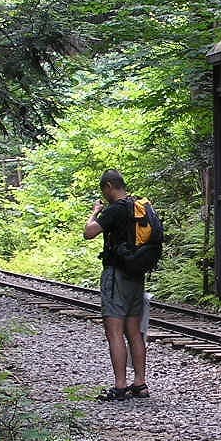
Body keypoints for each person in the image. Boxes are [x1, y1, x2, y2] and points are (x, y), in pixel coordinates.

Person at [83, 169, 149, 401]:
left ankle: (120, 385)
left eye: (104, 189)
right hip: (137, 273)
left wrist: (94, 213)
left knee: (114, 332)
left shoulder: (115, 210)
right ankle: (140, 383)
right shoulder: (137, 206)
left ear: (109, 186)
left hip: (116, 275)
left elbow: (89, 233)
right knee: (134, 331)